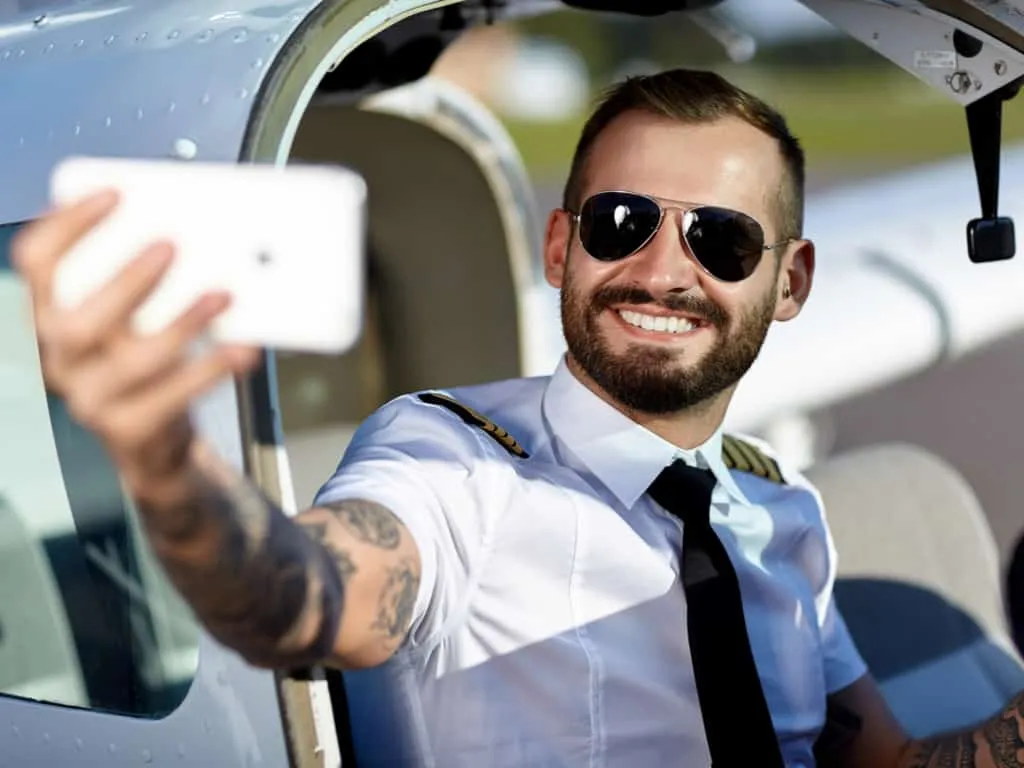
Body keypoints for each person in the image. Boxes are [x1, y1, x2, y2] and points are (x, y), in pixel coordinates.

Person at [12, 68, 1023, 767]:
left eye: (720, 239)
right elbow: (302, 596)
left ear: (789, 280)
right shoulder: (450, 462)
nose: (662, 271)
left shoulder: (780, 507)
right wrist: (162, 460)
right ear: (559, 249)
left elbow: (884, 758)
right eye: (619, 224)